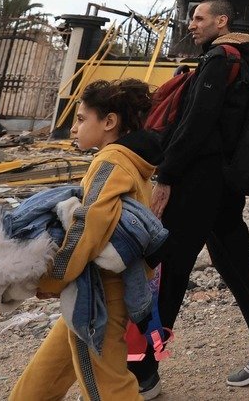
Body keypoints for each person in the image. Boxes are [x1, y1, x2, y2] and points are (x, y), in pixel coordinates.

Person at [130, 0, 249, 394]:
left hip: (200, 179)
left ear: (222, 21)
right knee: (235, 261)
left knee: (171, 270)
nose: (192, 25)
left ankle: (144, 370)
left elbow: (198, 122)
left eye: (199, 18)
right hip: (226, 180)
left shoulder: (220, 59)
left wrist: (167, 173)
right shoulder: (245, 62)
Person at [9, 79, 161, 401]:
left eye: (81, 119)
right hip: (101, 290)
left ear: (108, 122)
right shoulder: (135, 162)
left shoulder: (109, 162)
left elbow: (87, 228)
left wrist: (53, 279)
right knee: (48, 371)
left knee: (105, 387)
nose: (74, 128)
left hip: (100, 294)